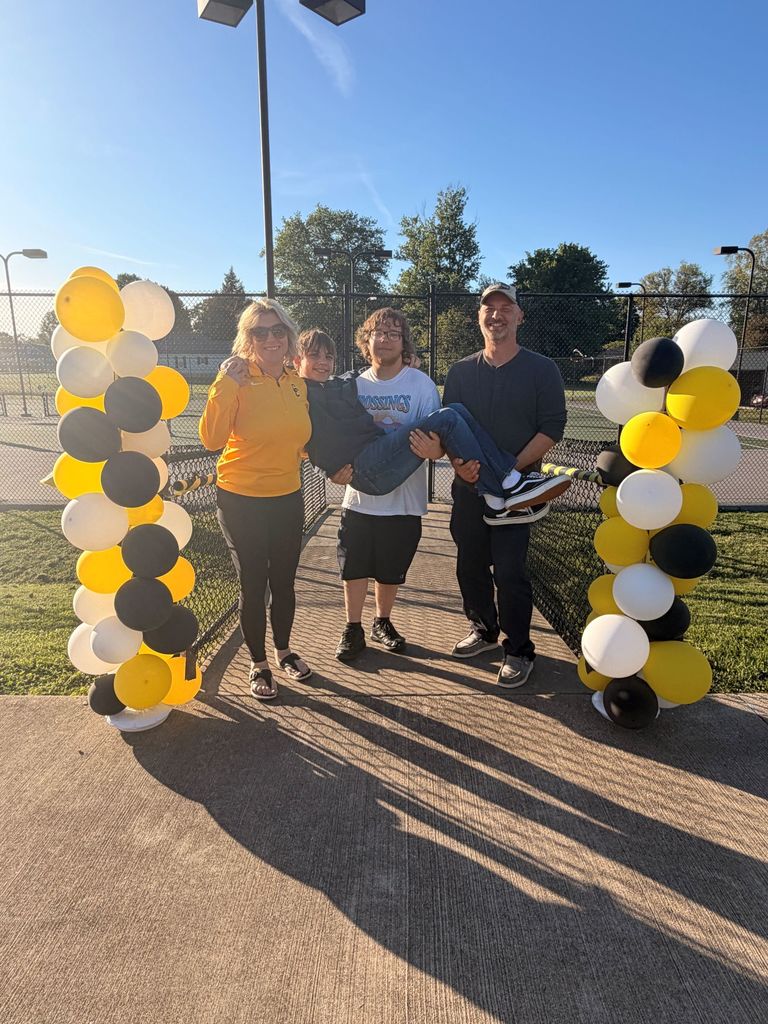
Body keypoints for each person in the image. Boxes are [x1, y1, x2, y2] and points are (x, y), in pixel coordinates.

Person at [443, 282, 567, 689]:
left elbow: (553, 427)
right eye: (488, 308)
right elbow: (449, 429)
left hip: (517, 490)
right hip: (469, 489)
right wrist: (461, 468)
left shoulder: (542, 368)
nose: (496, 314)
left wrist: (509, 468)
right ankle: (484, 631)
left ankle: (518, 649)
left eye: (505, 307)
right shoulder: (461, 371)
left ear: (519, 316)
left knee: (511, 572)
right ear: (479, 317)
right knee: (470, 565)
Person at [294, 328, 570, 509]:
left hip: (376, 459)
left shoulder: (336, 384)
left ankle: (501, 487)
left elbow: (362, 372)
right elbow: (300, 441)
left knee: (458, 410)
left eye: (329, 356)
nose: (323, 361)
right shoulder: (296, 392)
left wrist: (404, 363)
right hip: (364, 470)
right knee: (447, 417)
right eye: (314, 355)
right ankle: (505, 483)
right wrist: (327, 470)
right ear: (296, 360)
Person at [199, 299, 312, 701]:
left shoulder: (297, 381)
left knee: (284, 582)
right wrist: (224, 384)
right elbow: (211, 439)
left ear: (289, 336)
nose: (270, 338)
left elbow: (298, 438)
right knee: (254, 583)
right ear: (247, 338)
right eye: (259, 332)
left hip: (287, 496)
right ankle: (259, 664)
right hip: (241, 499)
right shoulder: (235, 377)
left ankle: (284, 651)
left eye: (277, 330)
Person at [328, 308, 440, 662]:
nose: (386, 338)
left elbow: (435, 435)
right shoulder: (354, 386)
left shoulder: (420, 384)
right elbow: (338, 439)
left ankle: (383, 622)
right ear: (367, 341)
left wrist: (437, 448)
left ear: (403, 342)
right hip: (359, 497)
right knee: (354, 565)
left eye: (394, 333)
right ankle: (352, 627)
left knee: (390, 569)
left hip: (404, 497)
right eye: (379, 332)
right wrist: (333, 470)